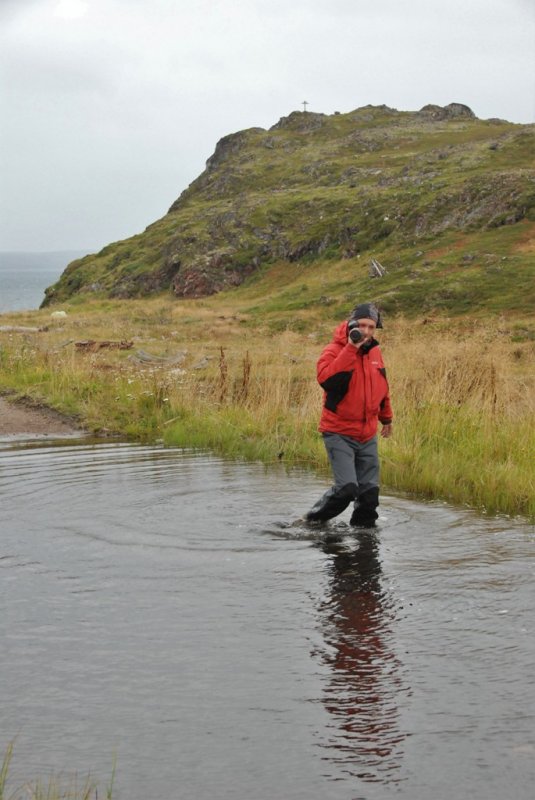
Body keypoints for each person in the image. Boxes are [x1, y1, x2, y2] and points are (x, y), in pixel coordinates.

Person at [305, 302, 393, 526]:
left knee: (369, 495)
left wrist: (387, 419)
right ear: (352, 324)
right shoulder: (333, 350)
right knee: (346, 489)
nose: (366, 331)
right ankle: (311, 521)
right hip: (338, 432)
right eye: (362, 325)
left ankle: (365, 537)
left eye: (371, 327)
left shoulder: (375, 352)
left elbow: (382, 387)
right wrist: (351, 348)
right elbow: (328, 381)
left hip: (367, 435)